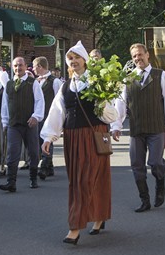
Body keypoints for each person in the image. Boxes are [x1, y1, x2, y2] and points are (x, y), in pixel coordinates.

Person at [41, 41, 118, 244]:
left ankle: (74, 227)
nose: (73, 61)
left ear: (85, 60)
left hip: (93, 135)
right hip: (73, 137)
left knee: (89, 179)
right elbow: (58, 112)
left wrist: (101, 102)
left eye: (76, 57)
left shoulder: (97, 82)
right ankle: (98, 217)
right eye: (70, 58)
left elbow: (111, 114)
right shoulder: (65, 86)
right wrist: (49, 136)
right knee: (77, 180)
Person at [111, 43, 165, 212]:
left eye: (140, 54)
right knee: (137, 165)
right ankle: (144, 199)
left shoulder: (160, 75)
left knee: (155, 163)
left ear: (147, 55)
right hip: (137, 128)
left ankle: (160, 186)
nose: (138, 58)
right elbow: (120, 104)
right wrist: (116, 125)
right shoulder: (128, 78)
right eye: (134, 56)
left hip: (156, 127)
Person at [0, 57, 45, 192]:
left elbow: (39, 101)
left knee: (33, 152)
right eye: (15, 66)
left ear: (25, 66)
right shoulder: (9, 84)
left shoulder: (32, 83)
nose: (18, 68)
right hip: (14, 124)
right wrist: (5, 122)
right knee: (12, 152)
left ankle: (33, 178)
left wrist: (36, 116)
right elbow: (5, 105)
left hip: (29, 123)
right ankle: (11, 182)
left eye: (20, 65)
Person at [33, 56, 62, 180]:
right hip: (38, 116)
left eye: (34, 67)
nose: (33, 69)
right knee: (40, 140)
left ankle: (44, 167)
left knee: (47, 139)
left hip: (49, 115)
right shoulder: (35, 81)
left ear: (40, 66)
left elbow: (59, 99)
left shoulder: (54, 81)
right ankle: (49, 167)